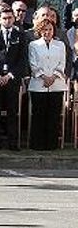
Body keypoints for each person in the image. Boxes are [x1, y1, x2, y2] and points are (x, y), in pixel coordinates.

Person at [0, 6, 28, 151]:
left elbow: (23, 59)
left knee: (12, 111)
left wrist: (10, 75)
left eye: (10, 18)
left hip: (12, 79)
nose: (7, 21)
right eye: (4, 18)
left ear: (14, 18)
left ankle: (13, 143)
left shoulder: (20, 35)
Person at [27, 17, 67, 150]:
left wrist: (53, 76)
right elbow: (33, 64)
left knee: (54, 115)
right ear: (40, 31)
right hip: (39, 84)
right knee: (39, 114)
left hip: (57, 84)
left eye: (50, 29)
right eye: (44, 30)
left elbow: (62, 63)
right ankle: (37, 144)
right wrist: (43, 77)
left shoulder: (60, 45)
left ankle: (51, 144)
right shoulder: (33, 45)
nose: (47, 32)